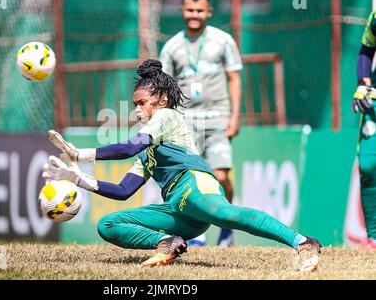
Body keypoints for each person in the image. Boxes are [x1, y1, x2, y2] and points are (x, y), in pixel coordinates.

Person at [42, 59, 322, 271]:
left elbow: (129, 147)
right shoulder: (147, 149)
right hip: (179, 208)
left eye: (142, 103)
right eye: (135, 104)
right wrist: (77, 178)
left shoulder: (166, 117)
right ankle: (168, 243)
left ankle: (302, 242)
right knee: (109, 224)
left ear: (161, 100)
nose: (137, 109)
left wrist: (81, 155)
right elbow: (123, 190)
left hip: (193, 186)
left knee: (229, 215)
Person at [159, 0, 242, 247]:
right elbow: (164, 87)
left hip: (218, 118)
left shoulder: (223, 40)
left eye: (199, 10)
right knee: (191, 178)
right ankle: (198, 233)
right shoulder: (171, 46)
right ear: (182, 11)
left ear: (209, 12)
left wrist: (235, 117)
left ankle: (227, 226)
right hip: (185, 122)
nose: (194, 15)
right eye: (189, 10)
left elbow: (234, 78)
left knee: (220, 176)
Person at [352, 10, 376, 248]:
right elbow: (366, 51)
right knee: (368, 166)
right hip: (375, 99)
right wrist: (363, 83)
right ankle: (373, 237)